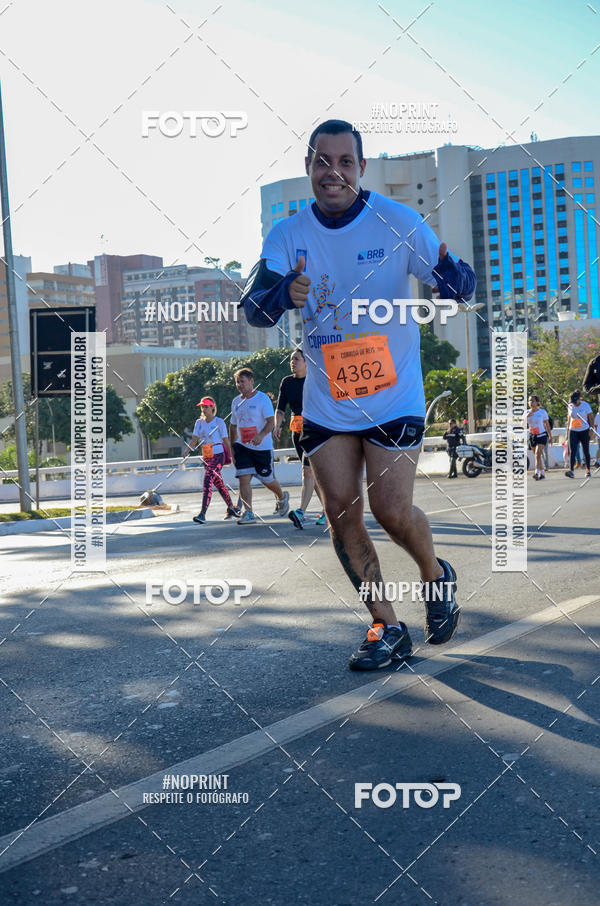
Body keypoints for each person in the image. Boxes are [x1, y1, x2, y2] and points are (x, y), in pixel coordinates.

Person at [240, 119, 475, 670]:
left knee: (391, 512)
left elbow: (460, 283)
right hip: (327, 402)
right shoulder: (287, 236)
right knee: (343, 516)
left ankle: (435, 575)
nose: (333, 172)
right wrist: (282, 290)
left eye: (345, 162)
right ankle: (386, 627)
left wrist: (448, 276)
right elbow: (254, 309)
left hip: (392, 396)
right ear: (308, 167)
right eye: (323, 161)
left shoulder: (397, 221)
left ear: (361, 168)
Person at [230, 367, 290, 524]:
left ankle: (282, 496)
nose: (240, 385)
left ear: (251, 381)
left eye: (242, 381)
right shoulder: (236, 402)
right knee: (243, 478)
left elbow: (271, 421)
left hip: (262, 447)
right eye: (237, 382)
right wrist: (232, 449)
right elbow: (233, 426)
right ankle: (248, 512)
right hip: (242, 447)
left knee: (266, 479)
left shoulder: (262, 399)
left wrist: (261, 435)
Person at [274, 348, 326, 528]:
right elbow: (280, 408)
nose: (292, 362)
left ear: (306, 362)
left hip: (314, 430)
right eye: (291, 359)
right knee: (313, 474)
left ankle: (301, 512)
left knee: (307, 471)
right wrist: (277, 425)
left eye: (296, 359)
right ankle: (329, 511)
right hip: (297, 432)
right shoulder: (287, 382)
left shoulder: (314, 381)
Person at [183, 396, 240, 523]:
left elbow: (226, 440)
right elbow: (194, 440)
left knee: (208, 480)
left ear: (212, 407)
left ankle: (202, 514)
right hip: (207, 457)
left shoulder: (219, 422)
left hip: (218, 455)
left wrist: (233, 456)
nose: (204, 409)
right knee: (218, 483)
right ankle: (231, 507)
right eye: (202, 407)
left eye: (206, 406)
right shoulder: (199, 422)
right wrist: (187, 451)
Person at [565, 390, 593, 478]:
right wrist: (567, 432)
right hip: (573, 431)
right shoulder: (570, 406)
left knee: (585, 450)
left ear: (579, 399)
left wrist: (591, 429)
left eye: (575, 401)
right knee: (572, 451)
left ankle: (588, 469)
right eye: (572, 402)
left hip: (584, 430)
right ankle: (571, 471)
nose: (573, 403)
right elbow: (569, 419)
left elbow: (591, 418)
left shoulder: (585, 405)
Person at [526, 395, 551, 480]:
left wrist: (550, 436)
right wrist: (529, 414)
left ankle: (536, 472)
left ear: (537, 402)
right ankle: (542, 474)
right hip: (532, 436)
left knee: (537, 454)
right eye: (529, 401)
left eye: (533, 401)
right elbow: (522, 424)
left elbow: (547, 425)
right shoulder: (526, 413)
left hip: (542, 435)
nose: (531, 403)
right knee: (537, 456)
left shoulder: (542, 412)